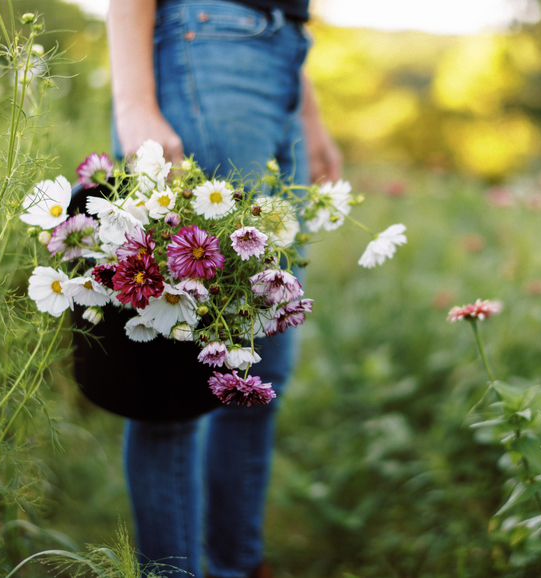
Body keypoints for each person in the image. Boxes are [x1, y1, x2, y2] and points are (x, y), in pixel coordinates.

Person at [106, 1, 341, 576]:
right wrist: (134, 104)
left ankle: (236, 566)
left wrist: (306, 113)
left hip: (281, 55)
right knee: (173, 383)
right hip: (207, 51)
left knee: (259, 374)